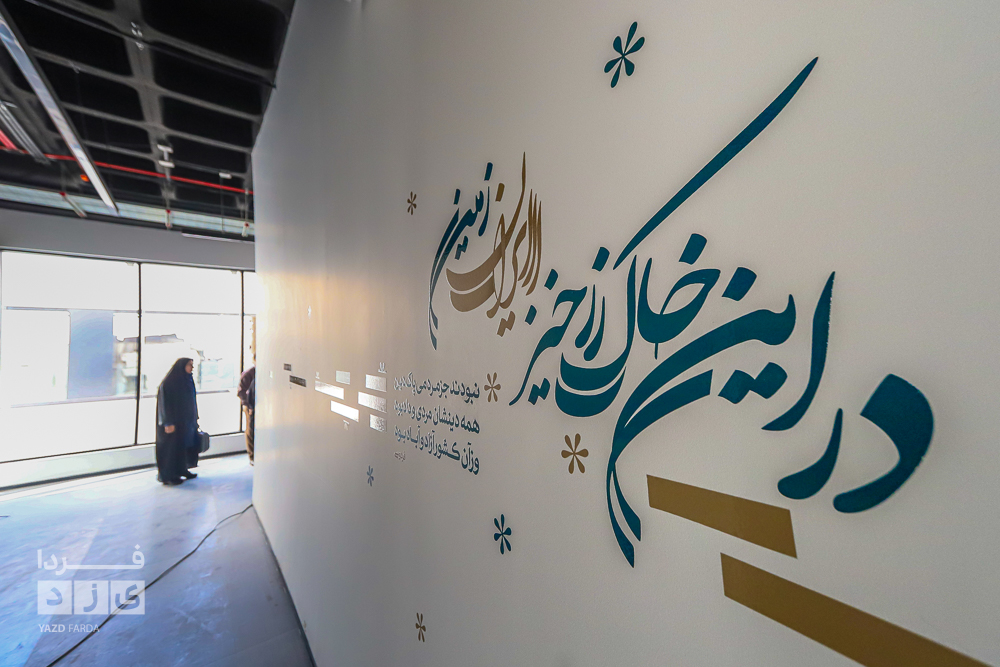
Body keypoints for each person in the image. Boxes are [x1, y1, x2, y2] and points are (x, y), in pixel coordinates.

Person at [155, 358, 200, 485]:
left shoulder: (187, 380)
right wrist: (167, 422)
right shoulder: (169, 382)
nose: (192, 368)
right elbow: (164, 404)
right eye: (189, 365)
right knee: (170, 450)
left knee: (182, 448)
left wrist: (194, 418)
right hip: (172, 424)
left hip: (184, 423)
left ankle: (182, 470)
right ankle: (168, 476)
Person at [237, 364, 256, 464]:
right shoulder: (249, 373)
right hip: (249, 405)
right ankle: (252, 455)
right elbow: (241, 391)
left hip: (257, 405)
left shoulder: (261, 371)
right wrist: (247, 405)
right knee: (250, 429)